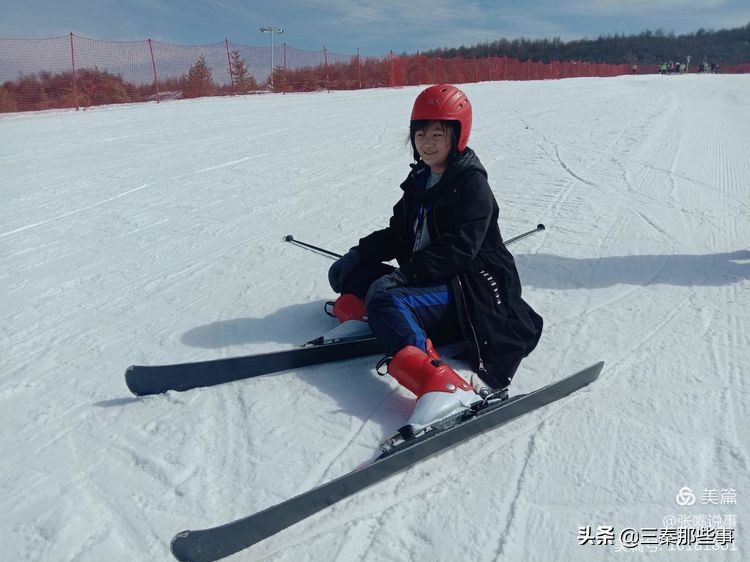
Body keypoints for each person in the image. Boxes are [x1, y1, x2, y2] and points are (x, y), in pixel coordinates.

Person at [327, 84, 543, 436]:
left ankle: (444, 385)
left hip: (468, 289)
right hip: (432, 279)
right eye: (420, 133)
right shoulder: (420, 178)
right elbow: (399, 233)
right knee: (349, 276)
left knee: (385, 294)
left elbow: (459, 250)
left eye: (437, 133)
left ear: (457, 134)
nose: (427, 141)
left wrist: (405, 276)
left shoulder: (472, 185)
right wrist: (360, 253)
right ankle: (385, 318)